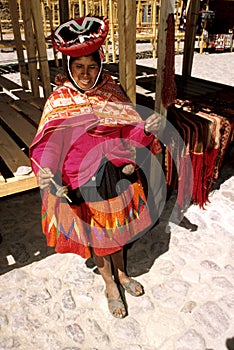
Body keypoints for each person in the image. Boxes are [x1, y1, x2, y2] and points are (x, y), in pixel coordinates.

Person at [30, 16, 161, 318]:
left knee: (120, 230)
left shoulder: (111, 92)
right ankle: (110, 284)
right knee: (100, 236)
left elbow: (129, 135)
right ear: (69, 68)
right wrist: (47, 172)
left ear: (100, 64)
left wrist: (147, 129)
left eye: (91, 67)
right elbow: (49, 146)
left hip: (115, 172)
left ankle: (123, 274)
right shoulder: (59, 99)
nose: (86, 74)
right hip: (80, 179)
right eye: (79, 67)